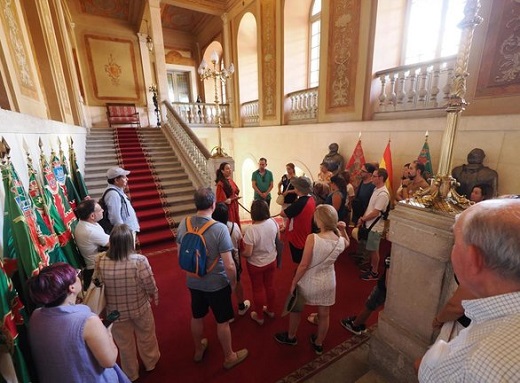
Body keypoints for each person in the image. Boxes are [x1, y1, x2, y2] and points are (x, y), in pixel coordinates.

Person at [417, 199, 520, 382]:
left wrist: (425, 365)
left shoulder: (483, 363)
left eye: (455, 243)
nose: (453, 248)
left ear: (474, 260)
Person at [176, 188, 248, 369]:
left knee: (197, 316)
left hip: (193, 280)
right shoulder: (219, 228)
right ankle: (229, 356)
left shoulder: (184, 223)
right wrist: (232, 283)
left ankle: (198, 349)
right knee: (222, 321)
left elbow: (180, 255)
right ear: (213, 204)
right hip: (216, 282)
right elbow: (230, 264)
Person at [27, 262, 130, 383]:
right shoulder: (88, 321)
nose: (78, 275)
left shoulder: (36, 315)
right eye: (77, 274)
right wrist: (107, 332)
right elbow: (109, 361)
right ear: (72, 287)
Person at [274, 205, 349, 355]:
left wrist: (294, 282)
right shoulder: (340, 240)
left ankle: (291, 337)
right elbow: (347, 243)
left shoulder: (313, 238)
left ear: (319, 220)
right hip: (328, 281)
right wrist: (343, 230)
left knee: (296, 308)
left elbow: (303, 265)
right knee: (324, 314)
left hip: (310, 280)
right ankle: (319, 343)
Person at [98, 224, 160, 382]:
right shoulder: (139, 260)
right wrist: (154, 294)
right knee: (146, 335)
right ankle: (150, 362)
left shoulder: (100, 260)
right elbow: (149, 283)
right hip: (139, 306)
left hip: (114, 311)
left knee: (124, 344)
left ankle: (131, 373)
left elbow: (99, 285)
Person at [242, 200, 279, 325]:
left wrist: (241, 253)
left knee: (257, 289)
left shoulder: (251, 230)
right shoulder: (273, 222)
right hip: (271, 259)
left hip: (256, 264)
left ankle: (259, 316)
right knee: (270, 286)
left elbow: (248, 253)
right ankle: (271, 310)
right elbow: (277, 239)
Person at [212, 202, 251, 319]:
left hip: (217, 263)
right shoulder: (234, 227)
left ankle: (227, 314)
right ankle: (241, 306)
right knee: (237, 282)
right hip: (233, 261)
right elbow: (240, 243)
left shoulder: (210, 229)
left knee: (222, 288)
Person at [340, 256, 390, 335]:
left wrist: (388, 290)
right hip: (388, 288)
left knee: (370, 305)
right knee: (371, 305)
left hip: (382, 287)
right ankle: (361, 321)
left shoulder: (390, 257)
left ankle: (355, 324)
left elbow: (388, 278)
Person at [358, 168, 390, 281]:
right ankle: (371, 267)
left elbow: (376, 212)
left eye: (374, 176)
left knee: (374, 250)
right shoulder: (377, 189)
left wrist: (363, 219)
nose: (372, 178)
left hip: (375, 227)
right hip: (370, 224)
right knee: (371, 249)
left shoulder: (383, 194)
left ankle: (374, 272)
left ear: (381, 178)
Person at [74, 199, 110, 289]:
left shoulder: (86, 222)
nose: (103, 210)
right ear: (92, 216)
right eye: (100, 210)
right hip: (96, 269)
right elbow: (114, 243)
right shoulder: (89, 231)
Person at [280, 176, 316, 264]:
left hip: (298, 234)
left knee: (299, 259)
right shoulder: (311, 198)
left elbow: (283, 213)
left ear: (298, 188)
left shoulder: (300, 203)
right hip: (306, 230)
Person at [103, 167, 140, 237]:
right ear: (116, 180)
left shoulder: (118, 191)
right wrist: (124, 233)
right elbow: (115, 217)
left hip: (128, 230)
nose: (127, 179)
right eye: (124, 177)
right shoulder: (113, 194)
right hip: (126, 233)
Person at [215, 162, 242, 229]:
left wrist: (235, 196)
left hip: (234, 206)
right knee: (231, 225)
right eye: (227, 169)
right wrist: (232, 199)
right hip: (228, 208)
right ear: (222, 171)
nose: (230, 170)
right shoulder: (220, 184)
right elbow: (221, 200)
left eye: (230, 168)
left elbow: (236, 191)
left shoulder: (230, 180)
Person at [277, 162, 298, 229]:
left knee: (290, 213)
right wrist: (279, 190)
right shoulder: (284, 177)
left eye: (289, 169)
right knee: (283, 212)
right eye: (287, 169)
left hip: (291, 198)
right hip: (284, 198)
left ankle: (290, 226)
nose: (288, 171)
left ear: (293, 169)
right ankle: (284, 225)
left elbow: (296, 190)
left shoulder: (295, 179)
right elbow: (279, 184)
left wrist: (288, 192)